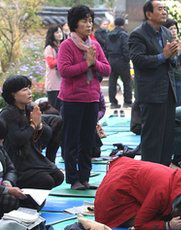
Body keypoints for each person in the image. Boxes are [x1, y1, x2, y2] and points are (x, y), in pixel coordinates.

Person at [57, 5, 111, 190]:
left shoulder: (94, 45)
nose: (88, 25)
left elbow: (107, 68)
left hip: (92, 99)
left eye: (90, 20)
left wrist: (93, 62)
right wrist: (85, 63)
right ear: (74, 24)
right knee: (71, 140)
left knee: (88, 140)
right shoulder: (66, 45)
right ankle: (73, 179)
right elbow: (64, 71)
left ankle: (85, 177)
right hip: (72, 100)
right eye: (84, 21)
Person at [129, 0, 179, 165]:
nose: (164, 12)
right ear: (149, 14)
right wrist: (162, 56)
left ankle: (163, 176)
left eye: (165, 9)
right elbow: (138, 60)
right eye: (160, 9)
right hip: (151, 94)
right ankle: (149, 177)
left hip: (168, 92)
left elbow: (171, 63)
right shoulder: (138, 34)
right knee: (152, 139)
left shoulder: (166, 33)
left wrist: (174, 55)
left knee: (167, 137)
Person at [94, 157, 181, 230]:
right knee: (151, 218)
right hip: (114, 190)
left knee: (157, 214)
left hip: (125, 167)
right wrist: (168, 226)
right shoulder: (160, 193)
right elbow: (139, 224)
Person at [0, 75, 64, 190]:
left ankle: (30, 199)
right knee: (46, 181)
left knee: (58, 177)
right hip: (17, 162)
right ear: (12, 94)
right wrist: (33, 125)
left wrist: (39, 125)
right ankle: (26, 202)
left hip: (32, 157)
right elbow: (17, 140)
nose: (29, 92)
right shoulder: (7, 113)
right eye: (24, 90)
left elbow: (47, 134)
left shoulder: (29, 109)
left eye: (29, 88)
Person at [0, 119, 26, 217]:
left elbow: (11, 168)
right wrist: (7, 190)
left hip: (4, 186)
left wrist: (8, 182)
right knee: (10, 200)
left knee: (32, 200)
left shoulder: (1, 149)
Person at [107, 17, 132, 109]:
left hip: (111, 60)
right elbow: (126, 48)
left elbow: (106, 48)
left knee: (112, 82)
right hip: (122, 60)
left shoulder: (109, 34)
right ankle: (127, 102)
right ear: (123, 24)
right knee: (127, 82)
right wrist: (127, 59)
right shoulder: (124, 35)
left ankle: (113, 103)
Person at [164, 18, 181, 107]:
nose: (174, 31)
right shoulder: (165, 44)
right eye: (171, 29)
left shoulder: (180, 43)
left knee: (178, 107)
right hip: (168, 80)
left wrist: (180, 52)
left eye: (175, 28)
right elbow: (171, 62)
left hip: (179, 79)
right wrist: (176, 52)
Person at [44, 26, 64, 111]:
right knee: (53, 109)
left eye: (60, 32)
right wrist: (63, 58)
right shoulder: (49, 48)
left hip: (62, 83)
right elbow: (51, 64)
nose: (59, 34)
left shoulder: (62, 46)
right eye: (57, 32)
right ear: (52, 34)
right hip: (53, 83)